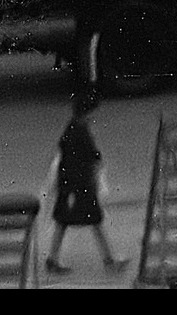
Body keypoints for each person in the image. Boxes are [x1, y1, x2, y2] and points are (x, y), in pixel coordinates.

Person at [45, 87, 129, 275]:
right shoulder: (79, 132)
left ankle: (53, 258)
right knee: (93, 220)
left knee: (64, 221)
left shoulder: (73, 128)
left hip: (70, 185)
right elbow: (88, 156)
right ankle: (109, 261)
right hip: (80, 186)